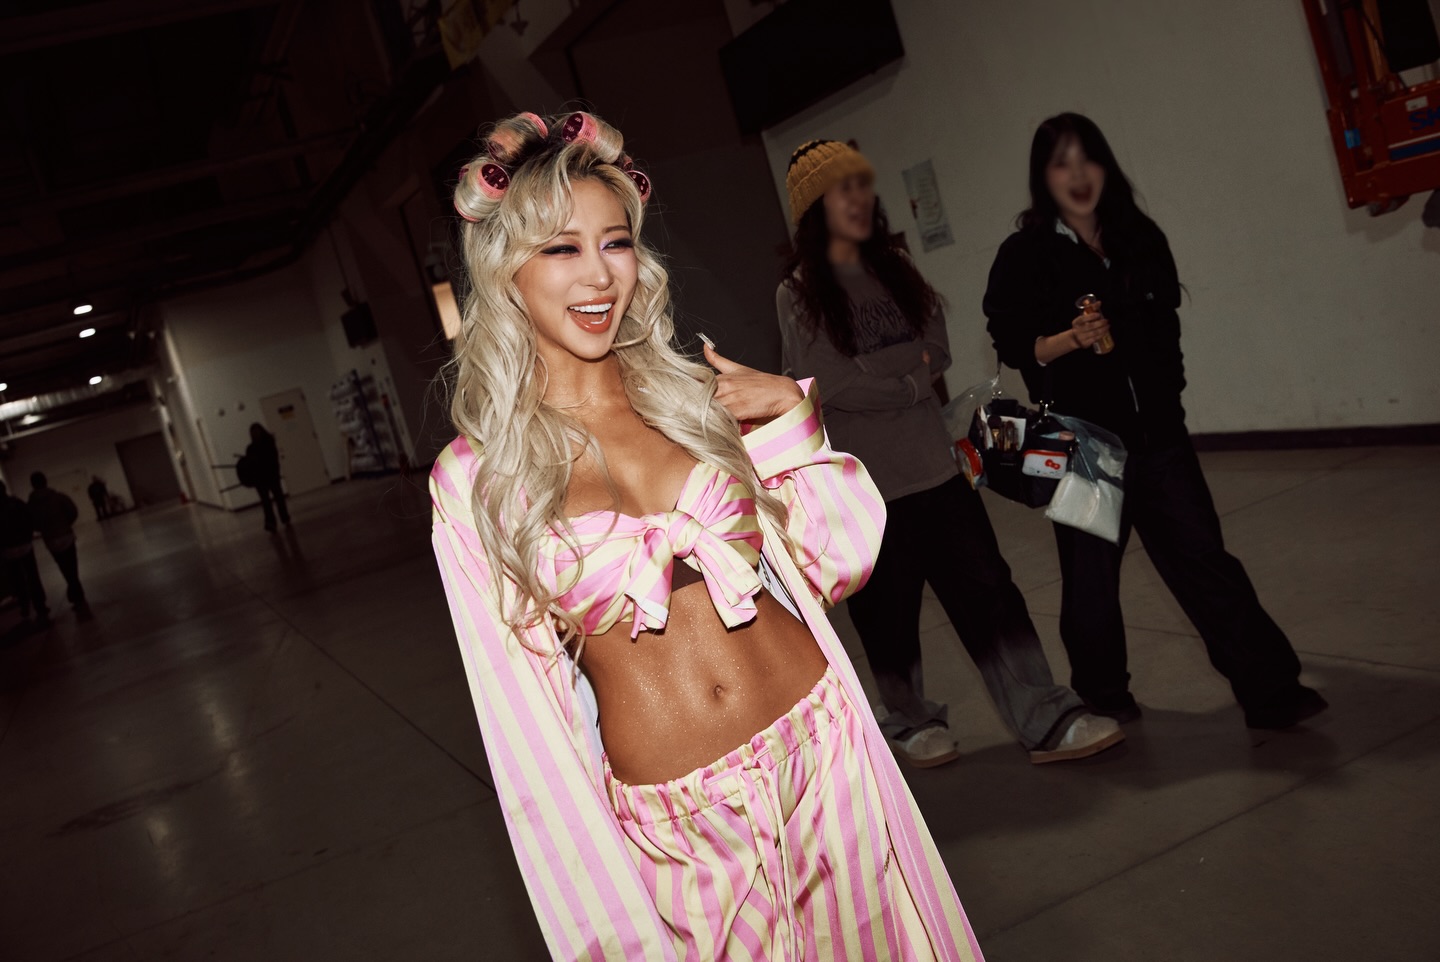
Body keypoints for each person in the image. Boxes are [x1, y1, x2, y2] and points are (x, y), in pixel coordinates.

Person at [430, 111, 984, 960]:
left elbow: (833, 564)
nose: (599, 275)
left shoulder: (695, 401)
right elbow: (526, 736)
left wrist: (794, 425)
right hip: (678, 829)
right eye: (561, 248)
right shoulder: (478, 479)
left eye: (616, 242)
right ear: (506, 269)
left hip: (822, 748)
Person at [777, 140, 1123, 769]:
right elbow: (831, 381)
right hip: (867, 486)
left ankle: (1046, 715)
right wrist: (908, 380)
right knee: (887, 615)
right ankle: (910, 721)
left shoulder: (894, 267)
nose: (857, 200)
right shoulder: (798, 292)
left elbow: (937, 344)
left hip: (937, 467)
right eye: (839, 191)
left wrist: (895, 374)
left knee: (992, 592)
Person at [982, 112, 1327, 730]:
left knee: (1205, 561)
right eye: (1061, 163)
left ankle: (1271, 690)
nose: (1078, 175)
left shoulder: (1137, 237)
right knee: (1090, 582)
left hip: (1159, 436)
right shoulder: (1025, 253)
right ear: (1043, 177)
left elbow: (1166, 331)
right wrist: (1070, 338)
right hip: (1082, 446)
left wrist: (1169, 400)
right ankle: (1103, 696)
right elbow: (1013, 345)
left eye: (1087, 159)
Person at [28, 472, 88, 619]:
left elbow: (32, 523)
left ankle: (75, 595)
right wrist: (65, 524)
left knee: (64, 568)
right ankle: (77, 596)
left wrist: (44, 529)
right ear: (45, 481)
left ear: (33, 485)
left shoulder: (32, 504)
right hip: (66, 535)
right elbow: (73, 511)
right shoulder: (58, 496)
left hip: (51, 539)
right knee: (72, 567)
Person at [0, 480, 48, 626]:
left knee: (18, 581)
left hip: (8, 550)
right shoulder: (17, 503)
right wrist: (27, 537)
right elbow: (30, 519)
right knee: (33, 577)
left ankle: (25, 608)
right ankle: (41, 607)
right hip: (25, 546)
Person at [245, 424, 290, 532]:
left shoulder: (268, 444)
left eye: (256, 432)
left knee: (278, 499)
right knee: (266, 502)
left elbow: (274, 461)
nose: (255, 434)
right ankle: (271, 523)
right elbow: (249, 465)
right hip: (260, 480)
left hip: (271, 477)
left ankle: (284, 518)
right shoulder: (251, 448)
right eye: (253, 433)